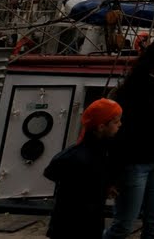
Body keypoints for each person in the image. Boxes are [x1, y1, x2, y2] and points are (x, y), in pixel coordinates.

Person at [105, 39, 154, 239]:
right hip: (134, 164)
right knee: (124, 223)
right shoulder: (133, 90)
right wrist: (112, 174)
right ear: (153, 62)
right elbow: (119, 135)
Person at [44, 98, 123, 238]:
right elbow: (52, 171)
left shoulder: (100, 150)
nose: (120, 125)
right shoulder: (77, 156)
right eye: (116, 122)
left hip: (89, 221)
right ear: (101, 127)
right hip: (72, 224)